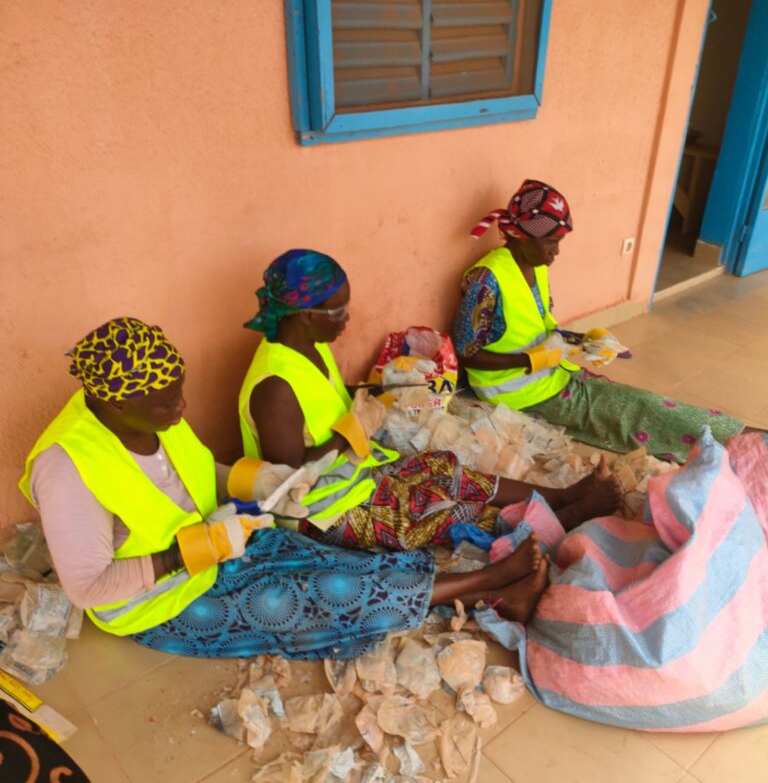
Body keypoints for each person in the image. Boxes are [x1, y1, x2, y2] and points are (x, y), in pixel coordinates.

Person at [20, 319, 554, 663]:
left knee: (346, 566)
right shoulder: (66, 468)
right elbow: (88, 589)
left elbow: (201, 471)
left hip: (219, 542)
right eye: (166, 404)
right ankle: (489, 581)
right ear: (113, 405)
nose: (180, 410)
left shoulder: (152, 415)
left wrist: (261, 480)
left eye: (178, 395)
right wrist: (199, 549)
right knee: (321, 597)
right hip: (161, 602)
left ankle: (481, 594)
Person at [239, 250, 621, 553]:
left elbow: (324, 408)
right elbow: (288, 478)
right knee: (433, 511)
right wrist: (351, 429)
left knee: (443, 467)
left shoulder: (309, 347)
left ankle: (560, 497)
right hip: (322, 512)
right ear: (306, 315)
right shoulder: (274, 387)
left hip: (352, 473)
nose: (347, 319)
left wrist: (383, 390)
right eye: (338, 310)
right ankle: (565, 519)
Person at [453, 178, 746, 463]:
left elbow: (535, 326)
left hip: (550, 375)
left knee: (642, 403)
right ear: (521, 236)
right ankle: (737, 444)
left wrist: (581, 342)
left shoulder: (533, 265)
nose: (556, 250)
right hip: (515, 391)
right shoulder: (487, 281)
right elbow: (466, 355)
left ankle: (739, 436)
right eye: (551, 242)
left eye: (559, 241)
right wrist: (532, 360)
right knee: (633, 416)